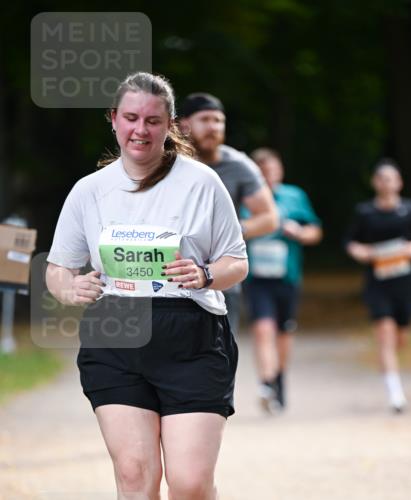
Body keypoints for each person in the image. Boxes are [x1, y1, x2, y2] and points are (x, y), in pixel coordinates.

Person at [45, 72, 248, 500]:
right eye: (131, 118)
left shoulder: (201, 183)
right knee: (135, 477)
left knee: (190, 483)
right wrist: (71, 289)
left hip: (191, 336)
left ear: (170, 124)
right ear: (114, 119)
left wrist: (206, 274)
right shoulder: (89, 191)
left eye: (153, 120)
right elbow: (58, 268)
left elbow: (237, 261)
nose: (141, 130)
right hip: (115, 334)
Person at [178, 93, 279, 334]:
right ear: (183, 125)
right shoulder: (167, 163)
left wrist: (228, 233)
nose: (212, 127)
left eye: (218, 120)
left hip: (221, 280)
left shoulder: (239, 165)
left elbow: (269, 218)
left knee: (220, 361)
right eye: (204, 119)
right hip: (171, 276)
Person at [345, 158, 411, 413]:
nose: (386, 183)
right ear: (375, 183)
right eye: (381, 179)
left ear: (399, 183)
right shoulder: (365, 212)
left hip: (405, 283)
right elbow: (351, 242)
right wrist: (362, 252)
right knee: (385, 335)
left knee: (401, 338)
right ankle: (396, 395)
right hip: (378, 284)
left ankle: (389, 367)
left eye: (391, 179)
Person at [243, 148, 322, 413]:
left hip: (287, 276)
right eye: (263, 172)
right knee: (263, 329)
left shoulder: (294, 196)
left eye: (273, 171)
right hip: (256, 277)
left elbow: (315, 232)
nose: (269, 176)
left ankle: (278, 379)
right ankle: (266, 384)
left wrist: (299, 232)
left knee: (284, 333)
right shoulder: (245, 198)